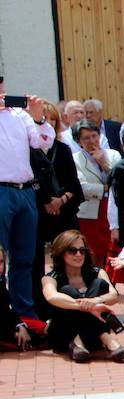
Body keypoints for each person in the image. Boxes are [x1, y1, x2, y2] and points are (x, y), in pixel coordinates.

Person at [0, 91, 54, 319]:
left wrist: (38, 118)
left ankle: (24, 315)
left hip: (25, 191)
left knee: (25, 257)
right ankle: (3, 315)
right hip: (1, 190)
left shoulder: (19, 115)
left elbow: (43, 142)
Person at [29, 102, 84, 315]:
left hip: (64, 210)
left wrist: (60, 201)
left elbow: (74, 185)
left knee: (71, 254)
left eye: (52, 119)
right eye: (43, 119)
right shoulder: (26, 149)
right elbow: (29, 180)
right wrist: (46, 201)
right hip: (37, 211)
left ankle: (71, 299)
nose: (48, 124)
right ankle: (39, 305)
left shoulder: (63, 149)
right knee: (35, 260)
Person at [41, 230, 124, 362]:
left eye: (82, 250)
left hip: (92, 337)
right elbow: (52, 297)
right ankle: (100, 338)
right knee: (67, 290)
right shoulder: (51, 277)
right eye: (72, 251)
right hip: (64, 335)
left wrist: (94, 301)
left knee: (99, 284)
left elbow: (114, 295)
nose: (78, 254)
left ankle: (95, 338)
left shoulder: (97, 272)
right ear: (61, 252)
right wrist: (90, 307)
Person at [72, 119, 122, 267]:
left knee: (112, 250)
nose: (92, 140)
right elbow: (81, 187)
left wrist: (104, 164)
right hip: (90, 212)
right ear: (79, 141)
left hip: (112, 209)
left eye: (94, 135)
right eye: (86, 138)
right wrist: (105, 188)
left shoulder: (113, 155)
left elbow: (120, 181)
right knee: (92, 252)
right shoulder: (75, 159)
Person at [1, 245, 45, 351]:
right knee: (32, 339)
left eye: (1, 262)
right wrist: (15, 332)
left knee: (39, 325)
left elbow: (6, 312)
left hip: (5, 323)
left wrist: (20, 325)